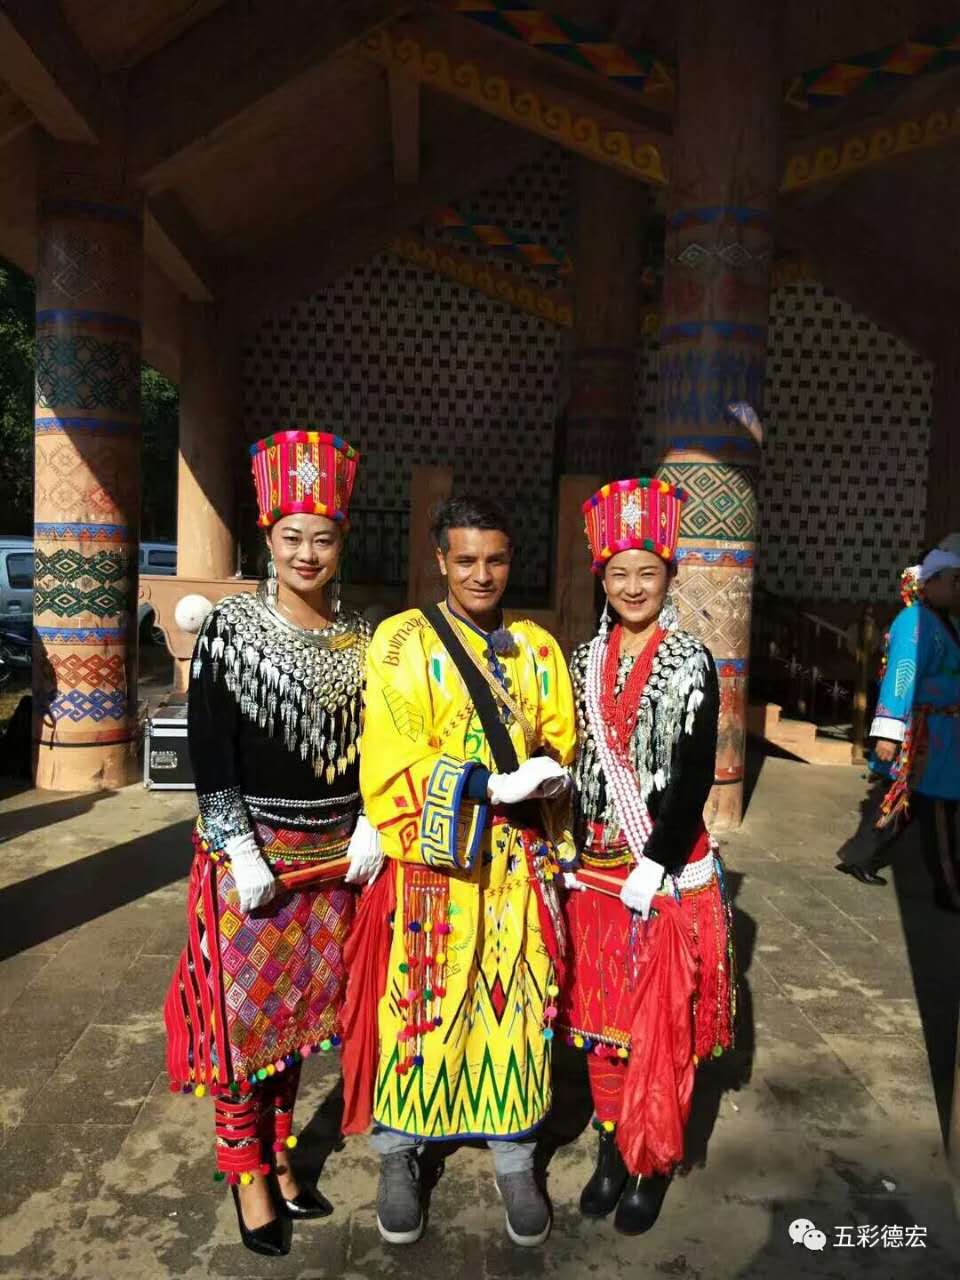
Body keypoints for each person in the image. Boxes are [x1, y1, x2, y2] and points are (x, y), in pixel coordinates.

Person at [164, 430, 383, 1257]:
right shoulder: (230, 629)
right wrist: (238, 846)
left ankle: (281, 1150)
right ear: (268, 535)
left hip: (332, 864)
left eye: (322, 538)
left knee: (296, 1022)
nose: (306, 553)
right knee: (240, 1024)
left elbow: (380, 744)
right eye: (292, 536)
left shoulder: (363, 637)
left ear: (341, 541)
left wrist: (373, 820)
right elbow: (210, 747)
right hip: (251, 859)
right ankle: (245, 1169)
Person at [340, 495, 576, 1248]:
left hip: (515, 864)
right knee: (420, 1003)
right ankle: (398, 1152)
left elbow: (560, 739)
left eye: (495, 559)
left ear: (511, 562)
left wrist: (551, 778)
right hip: (433, 863)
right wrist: (485, 785)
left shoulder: (538, 647)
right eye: (466, 559)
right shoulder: (401, 641)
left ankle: (516, 1155)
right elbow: (390, 753)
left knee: (515, 1003)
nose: (481, 574)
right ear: (439, 559)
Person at [557, 478, 735, 1234]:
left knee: (656, 1026)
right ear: (602, 577)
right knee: (601, 1024)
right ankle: (610, 1147)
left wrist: (655, 861)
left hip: (659, 872)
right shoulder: (582, 660)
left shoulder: (692, 661)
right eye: (619, 573)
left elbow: (692, 776)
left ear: (669, 575)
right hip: (595, 871)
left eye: (648, 573)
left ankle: (649, 1159)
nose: (633, 587)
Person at [837, 547, 960, 910]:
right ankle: (950, 888)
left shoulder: (942, 621)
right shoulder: (915, 621)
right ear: (931, 582)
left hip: (942, 731)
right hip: (927, 735)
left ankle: (860, 856)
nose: (959, 588)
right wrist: (889, 732)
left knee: (907, 802)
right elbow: (901, 675)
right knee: (939, 807)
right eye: (955, 580)